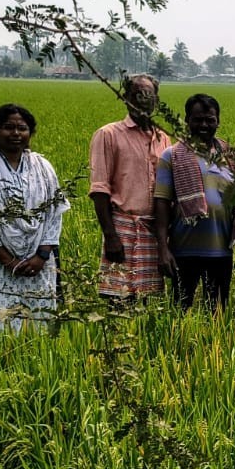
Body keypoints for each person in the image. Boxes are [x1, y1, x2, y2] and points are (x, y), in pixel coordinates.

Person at [0, 103, 68, 335]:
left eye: (23, 128)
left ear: (31, 133)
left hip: (37, 263)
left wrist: (41, 256)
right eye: (8, 127)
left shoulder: (43, 166)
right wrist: (8, 261)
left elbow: (54, 213)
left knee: (39, 327)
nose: (16, 133)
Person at [88, 74, 172, 301]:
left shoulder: (163, 138)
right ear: (125, 98)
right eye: (137, 95)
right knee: (118, 299)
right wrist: (110, 236)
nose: (144, 101)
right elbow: (99, 189)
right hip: (122, 229)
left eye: (149, 95)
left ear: (156, 99)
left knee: (150, 302)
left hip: (153, 231)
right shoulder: (108, 134)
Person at [153, 93, 235, 309]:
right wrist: (163, 248)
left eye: (210, 120)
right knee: (180, 311)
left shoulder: (228, 156)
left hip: (221, 251)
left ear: (218, 121)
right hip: (184, 250)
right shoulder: (171, 156)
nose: (204, 125)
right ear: (187, 120)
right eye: (198, 119)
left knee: (217, 312)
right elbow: (161, 204)